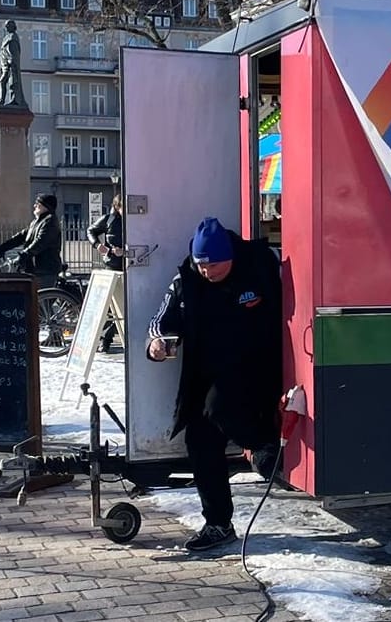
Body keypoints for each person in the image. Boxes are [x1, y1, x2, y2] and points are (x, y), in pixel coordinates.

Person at [146, 217, 283, 552]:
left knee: (218, 407)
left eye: (215, 266)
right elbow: (160, 323)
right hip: (206, 372)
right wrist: (157, 344)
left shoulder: (260, 266)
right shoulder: (186, 280)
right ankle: (218, 523)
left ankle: (265, 448)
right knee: (200, 440)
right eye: (201, 266)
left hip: (257, 369)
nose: (207, 272)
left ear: (230, 257)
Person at [0, 194, 64, 289]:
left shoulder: (50, 222)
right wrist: (2, 247)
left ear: (46, 206)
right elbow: (21, 237)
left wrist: (23, 255)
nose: (34, 206)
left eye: (37, 203)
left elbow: (40, 243)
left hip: (45, 269)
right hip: (34, 268)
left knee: (39, 298)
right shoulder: (37, 222)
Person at [87, 194, 126, 354]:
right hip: (112, 266)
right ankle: (102, 339)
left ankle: (107, 338)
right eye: (123, 208)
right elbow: (91, 230)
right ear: (117, 207)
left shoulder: (134, 221)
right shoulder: (109, 220)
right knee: (110, 307)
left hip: (128, 266)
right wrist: (98, 245)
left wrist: (125, 251)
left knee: (122, 307)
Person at [0, 19, 25, 107]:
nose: (6, 27)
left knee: (9, 81)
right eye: (6, 25)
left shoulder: (13, 37)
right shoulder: (6, 37)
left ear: (13, 26)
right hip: (5, 65)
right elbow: (3, 52)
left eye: (8, 25)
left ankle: (12, 99)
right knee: (4, 81)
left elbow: (14, 52)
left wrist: (12, 61)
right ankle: (2, 100)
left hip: (11, 64)